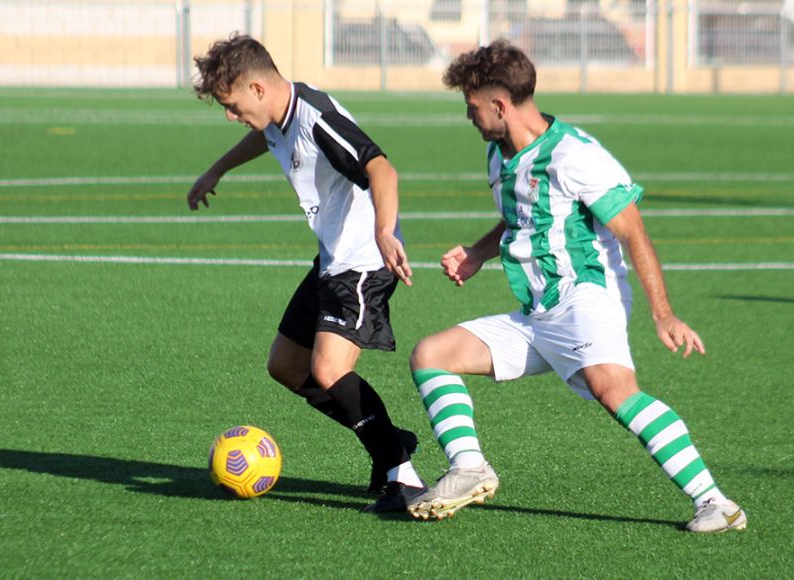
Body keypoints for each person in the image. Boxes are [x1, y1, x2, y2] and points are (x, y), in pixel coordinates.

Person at [405, 40, 747, 533]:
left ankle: (718, 503)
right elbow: (523, 215)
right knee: (431, 354)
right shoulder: (499, 156)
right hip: (538, 309)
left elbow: (633, 230)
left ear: (500, 106)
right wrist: (479, 252)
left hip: (586, 297)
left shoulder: (575, 156)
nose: (469, 117)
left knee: (614, 391)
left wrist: (663, 312)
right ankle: (469, 468)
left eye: (472, 107)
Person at [187, 33, 424, 512]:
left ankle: (404, 475)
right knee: (287, 367)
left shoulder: (317, 119)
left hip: (363, 259)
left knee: (329, 369)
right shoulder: (279, 112)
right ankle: (388, 439)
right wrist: (218, 169)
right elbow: (264, 135)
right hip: (332, 258)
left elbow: (382, 169)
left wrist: (383, 232)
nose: (230, 116)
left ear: (257, 89)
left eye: (231, 105)